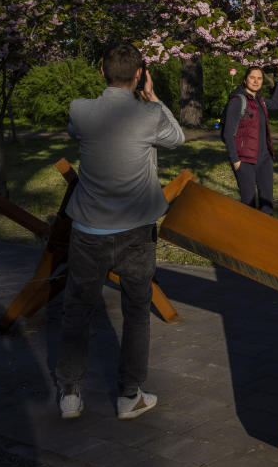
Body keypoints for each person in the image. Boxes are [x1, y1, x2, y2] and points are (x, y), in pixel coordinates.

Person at [55, 43, 185, 421]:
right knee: (136, 312)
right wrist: (153, 96)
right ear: (140, 74)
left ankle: (70, 394)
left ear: (101, 71)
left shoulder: (81, 110)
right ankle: (129, 395)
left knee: (77, 310)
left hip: (88, 229)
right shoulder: (150, 114)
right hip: (136, 230)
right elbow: (176, 138)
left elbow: (73, 130)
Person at [222, 65, 278, 215]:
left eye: (259, 78)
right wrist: (236, 162)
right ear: (245, 80)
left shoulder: (260, 100)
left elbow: (275, 104)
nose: (256, 81)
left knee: (267, 204)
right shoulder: (237, 101)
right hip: (245, 161)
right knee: (248, 205)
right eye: (252, 78)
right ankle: (246, 237)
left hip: (264, 160)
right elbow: (228, 134)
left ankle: (264, 237)